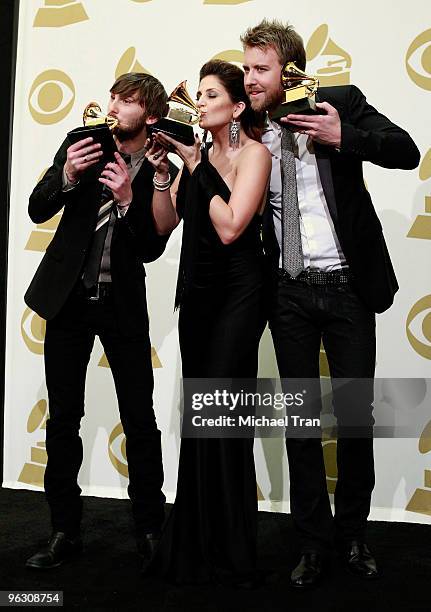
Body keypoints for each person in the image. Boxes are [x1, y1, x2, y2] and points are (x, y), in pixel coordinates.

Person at [241, 19, 420, 587]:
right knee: (299, 425)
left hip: (347, 291)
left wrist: (347, 139)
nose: (249, 79)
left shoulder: (338, 103)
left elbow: (407, 151)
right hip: (288, 293)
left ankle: (354, 538)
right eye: (245, 68)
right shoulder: (248, 125)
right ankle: (313, 543)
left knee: (354, 420)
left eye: (260, 69)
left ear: (289, 69)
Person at [24, 72, 176, 569]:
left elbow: (152, 247)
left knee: (140, 419)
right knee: (64, 419)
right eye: (113, 95)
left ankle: (150, 529)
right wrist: (67, 174)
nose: (113, 105)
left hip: (122, 303)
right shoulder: (81, 143)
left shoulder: (162, 163)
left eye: (126, 100)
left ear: (150, 115)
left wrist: (132, 199)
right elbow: (36, 208)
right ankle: (64, 530)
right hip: (68, 299)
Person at [144, 59, 271, 584]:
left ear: (237, 106)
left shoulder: (253, 155)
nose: (199, 101)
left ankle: (230, 545)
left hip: (240, 294)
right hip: (196, 298)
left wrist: (196, 167)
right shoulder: (194, 157)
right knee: (204, 421)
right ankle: (197, 538)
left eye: (211, 93)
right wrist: (160, 173)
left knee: (222, 414)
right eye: (197, 93)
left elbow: (231, 226)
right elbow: (163, 223)